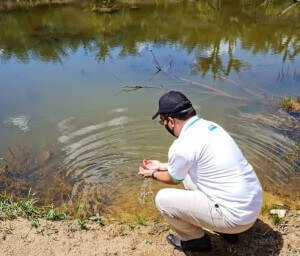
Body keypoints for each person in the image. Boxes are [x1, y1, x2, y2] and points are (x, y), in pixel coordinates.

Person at [138, 91, 263, 253]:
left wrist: (152, 174)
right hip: (251, 208)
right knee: (188, 178)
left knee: (163, 199)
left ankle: (196, 242)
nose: (165, 126)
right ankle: (227, 233)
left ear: (170, 121)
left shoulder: (182, 145)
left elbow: (173, 179)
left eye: (163, 122)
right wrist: (161, 165)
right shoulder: (211, 127)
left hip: (235, 219)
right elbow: (192, 160)